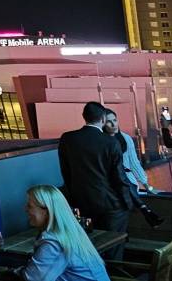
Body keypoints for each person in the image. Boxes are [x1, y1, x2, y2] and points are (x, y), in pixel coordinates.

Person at [56, 101, 130, 256]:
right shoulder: (111, 142)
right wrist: (128, 202)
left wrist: (73, 198)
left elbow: (66, 172)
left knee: (89, 244)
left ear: (84, 117)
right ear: (103, 119)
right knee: (113, 247)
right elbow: (119, 177)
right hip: (110, 204)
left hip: (81, 202)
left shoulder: (67, 138)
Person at [16, 185, 111, 281]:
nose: (25, 209)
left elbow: (32, 279)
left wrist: (15, 272)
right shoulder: (69, 234)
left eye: (30, 206)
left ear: (47, 211)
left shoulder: (55, 243)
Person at [101, 109, 164, 228]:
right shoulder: (101, 141)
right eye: (109, 122)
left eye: (115, 120)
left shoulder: (125, 138)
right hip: (112, 184)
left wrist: (147, 185)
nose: (113, 124)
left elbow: (134, 163)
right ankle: (146, 211)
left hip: (127, 181)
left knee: (125, 183)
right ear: (103, 123)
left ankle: (146, 211)